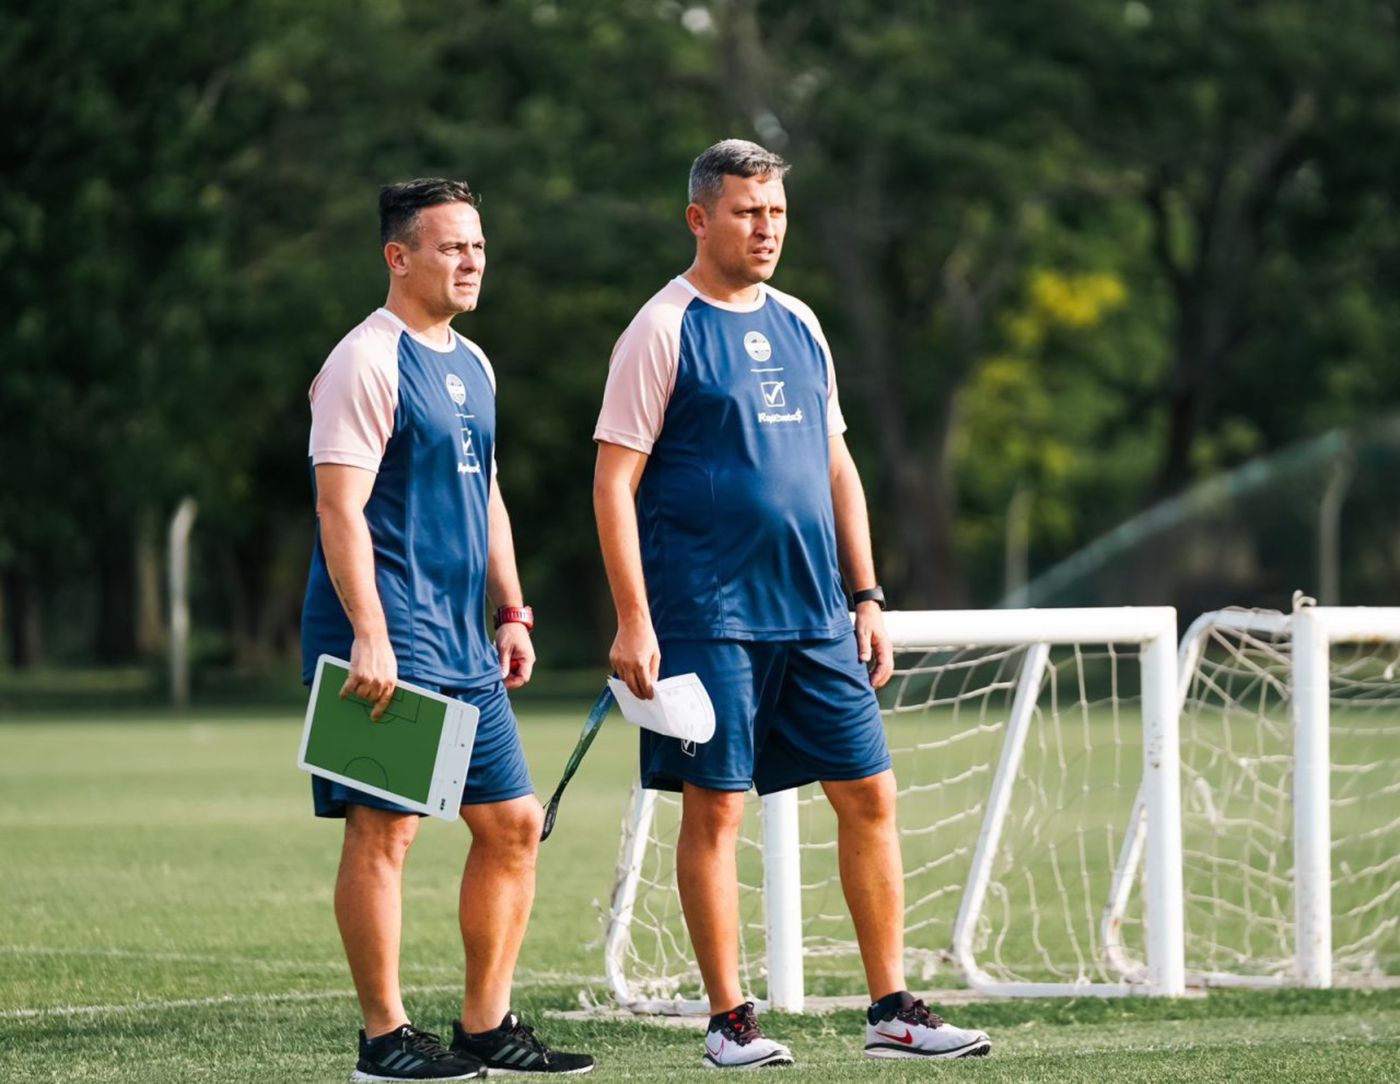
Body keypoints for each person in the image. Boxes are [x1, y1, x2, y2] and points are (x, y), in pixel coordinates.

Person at [592, 141, 991, 1067]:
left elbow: (838, 466)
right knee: (717, 813)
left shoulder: (803, 322)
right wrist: (634, 616)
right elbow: (613, 485)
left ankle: (891, 1008)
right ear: (700, 218)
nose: (766, 229)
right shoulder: (661, 329)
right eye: (746, 212)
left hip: (816, 614)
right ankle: (730, 1021)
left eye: (775, 212)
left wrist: (867, 593)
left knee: (870, 796)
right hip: (706, 614)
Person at [301, 178, 593, 1081]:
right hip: (386, 634)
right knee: (383, 834)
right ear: (399, 256)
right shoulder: (366, 359)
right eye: (451, 247)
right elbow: (338, 508)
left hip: (463, 639)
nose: (471, 261)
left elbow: (488, 494)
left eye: (478, 246)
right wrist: (369, 634)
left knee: (512, 825)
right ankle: (383, 1041)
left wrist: (511, 609)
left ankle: (486, 1027)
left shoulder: (474, 362)